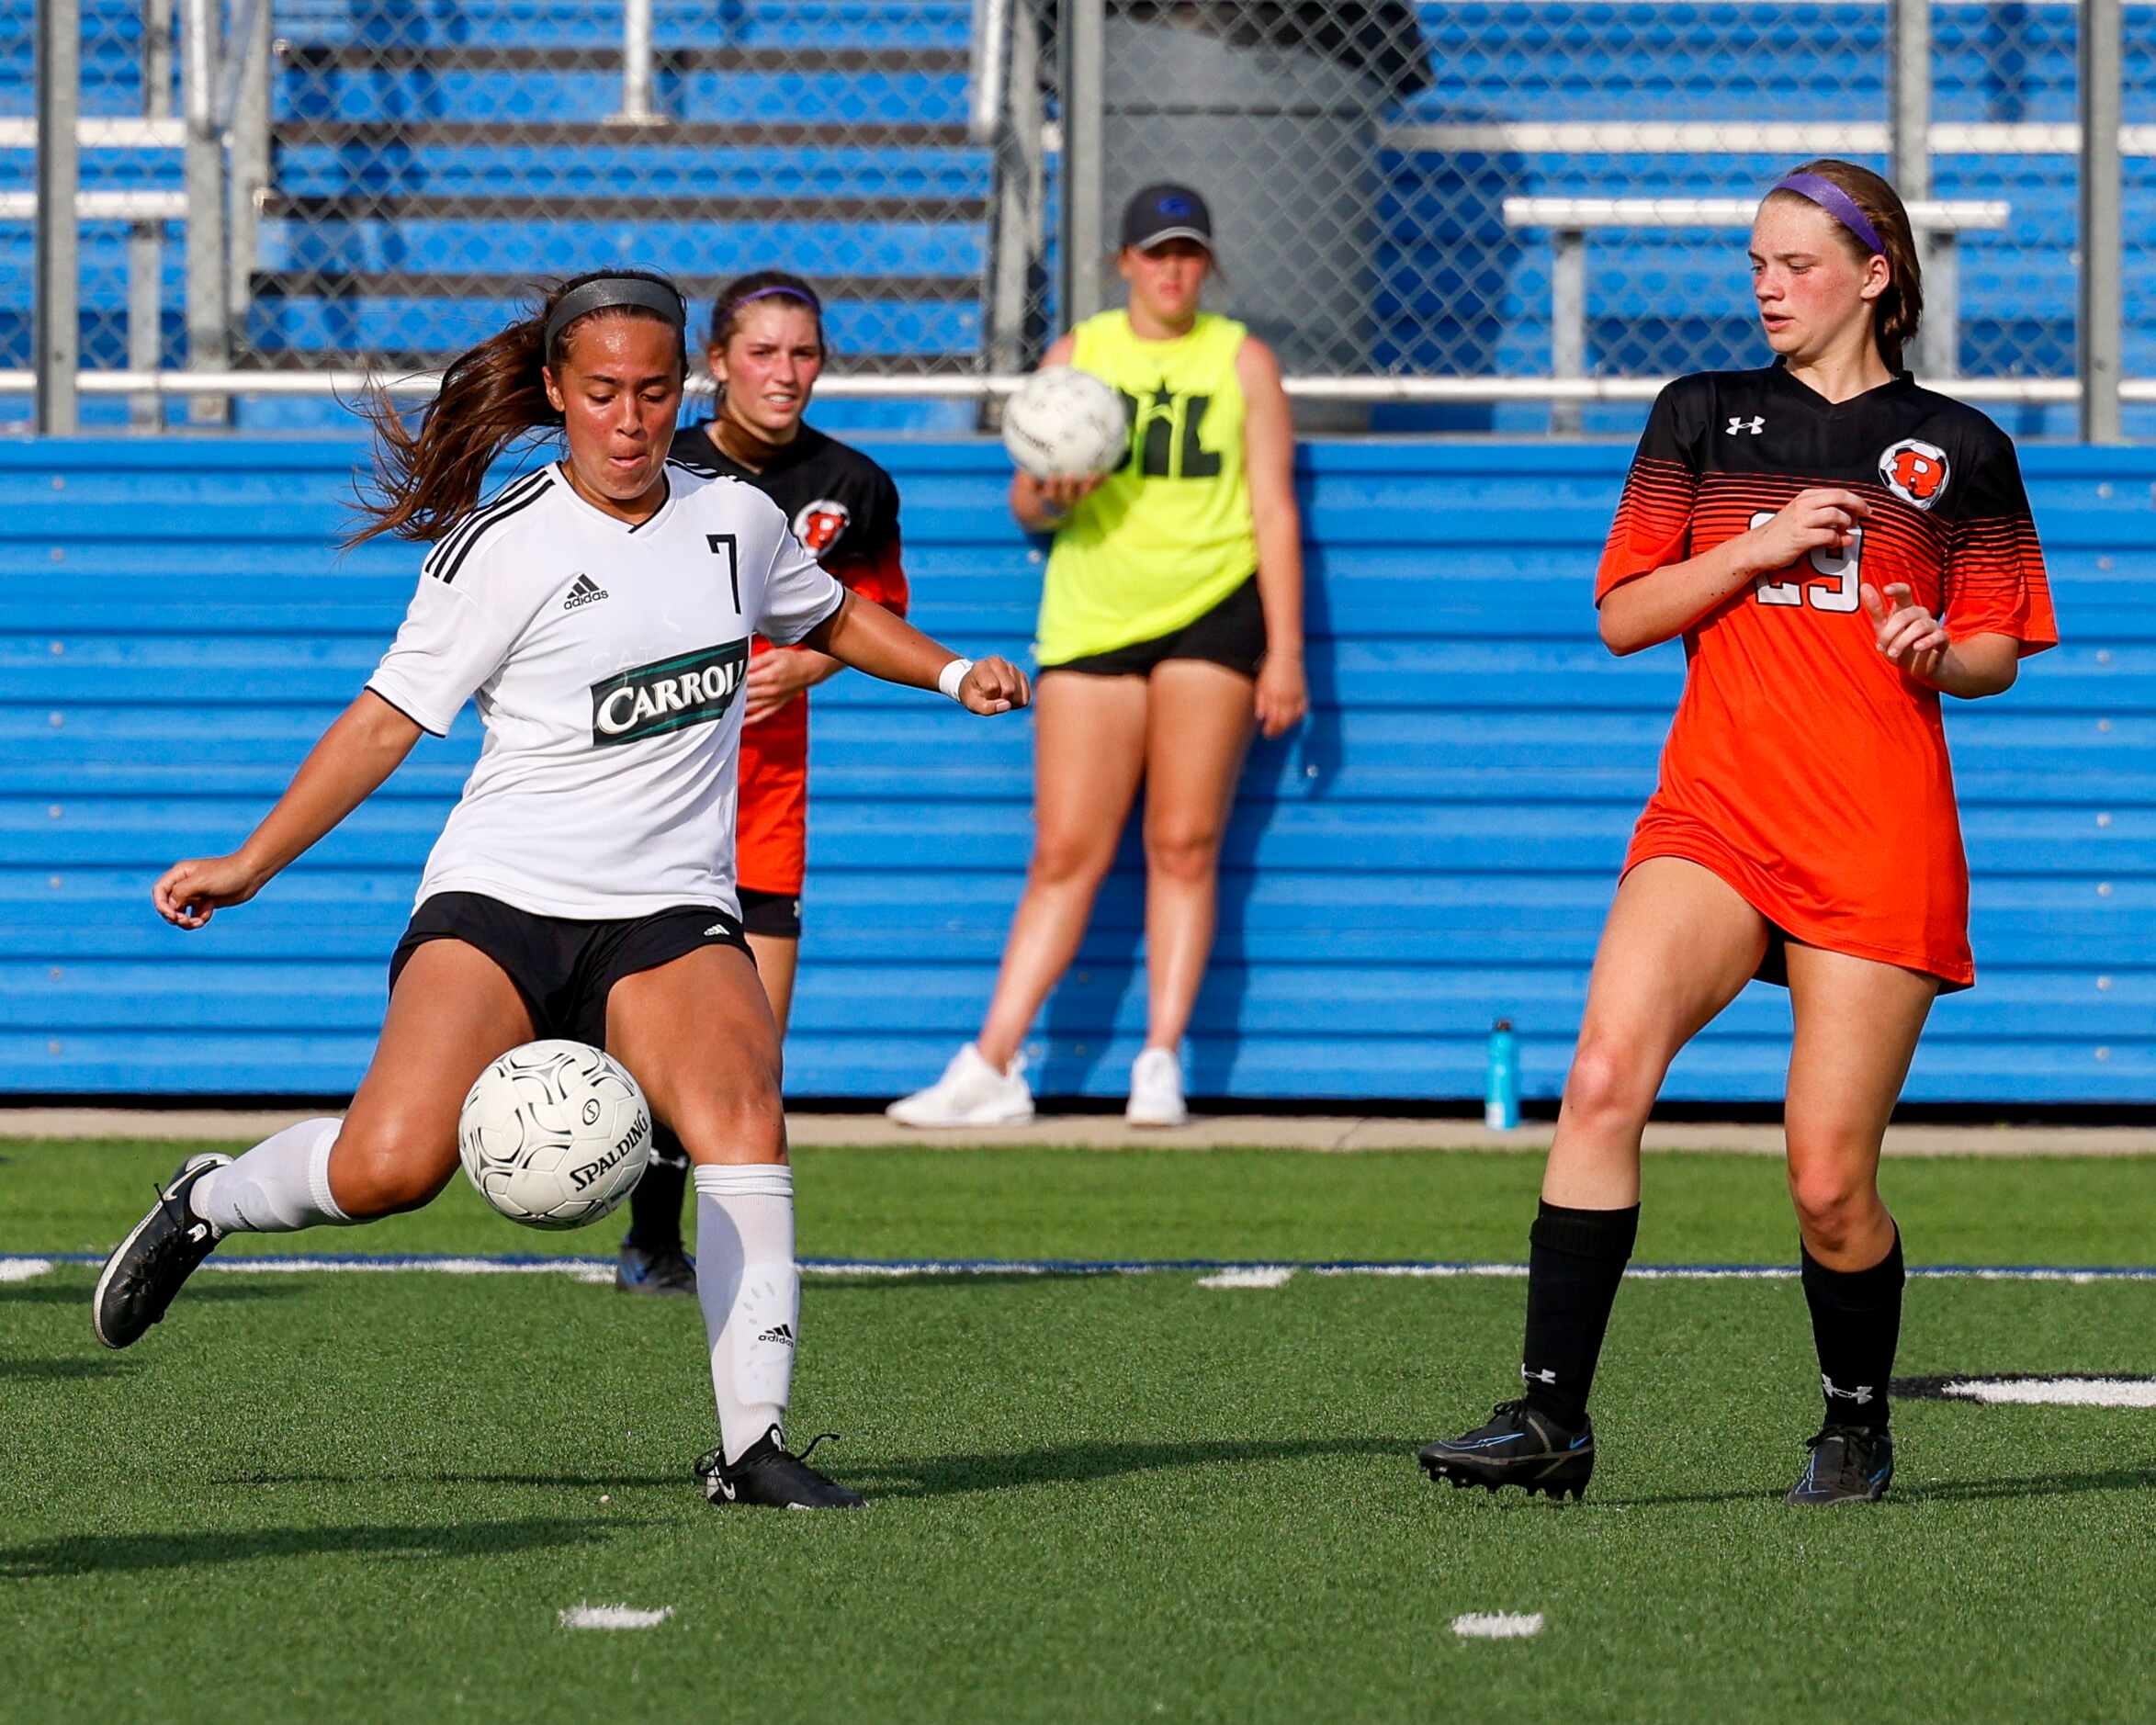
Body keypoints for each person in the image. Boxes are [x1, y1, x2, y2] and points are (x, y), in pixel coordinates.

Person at [89, 268, 1031, 1511]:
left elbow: (836, 614)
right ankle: (210, 1196)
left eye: (653, 392)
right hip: (502, 897)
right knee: (388, 1166)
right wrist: (250, 863)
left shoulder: (736, 519)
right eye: (601, 394)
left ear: (684, 387)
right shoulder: (500, 546)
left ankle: (750, 1446)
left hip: (668, 906)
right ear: (553, 393)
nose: (631, 420)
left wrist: (953, 668)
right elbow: (382, 724)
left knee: (743, 1106)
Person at [1416, 162, 2056, 1507]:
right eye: (1753, 264)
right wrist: (1750, 548)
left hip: (1874, 831)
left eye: (1792, 263)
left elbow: (1999, 645)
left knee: (1827, 1180)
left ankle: (1854, 1417)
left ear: (1873, 273)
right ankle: (1549, 1418)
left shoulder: (1959, 446)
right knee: (1598, 1077)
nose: (1764, 285)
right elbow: (1626, 613)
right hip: (1713, 811)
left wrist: (1938, 653)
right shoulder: (1700, 417)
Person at [887, 183, 1308, 1130]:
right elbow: (1028, 505)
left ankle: (1159, 1059)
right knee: (1064, 850)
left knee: (1183, 843)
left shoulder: (1241, 360)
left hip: (1213, 608)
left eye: (1188, 253)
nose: (1172, 270)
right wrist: (1054, 493)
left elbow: (1274, 510)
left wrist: (1284, 649)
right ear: (1124, 262)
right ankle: (991, 1064)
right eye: (1155, 253)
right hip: (1093, 617)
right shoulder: (1080, 353)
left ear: (1207, 264)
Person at [615, 270, 911, 1295]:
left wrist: (809, 660)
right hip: (649, 786)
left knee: (748, 1044)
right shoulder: (664, 460)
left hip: (768, 794)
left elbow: (871, 615)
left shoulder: (856, 485)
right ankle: (646, 1226)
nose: (786, 374)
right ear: (717, 365)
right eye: (764, 353)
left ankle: (694, 1249)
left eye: (804, 354)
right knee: (635, 1033)